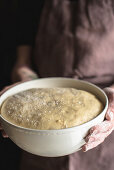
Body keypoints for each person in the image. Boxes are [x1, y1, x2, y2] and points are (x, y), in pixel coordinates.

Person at [0, 0, 114, 169]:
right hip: (38, 137)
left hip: (102, 130)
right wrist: (25, 84)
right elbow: (23, 63)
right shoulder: (30, 4)